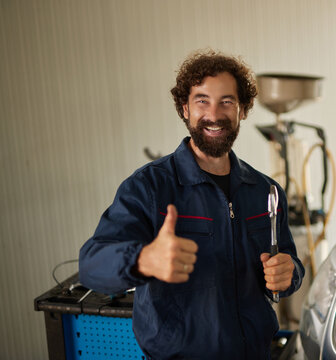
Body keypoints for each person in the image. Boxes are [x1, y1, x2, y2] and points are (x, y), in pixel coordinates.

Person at [78, 50, 305, 360]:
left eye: (226, 101)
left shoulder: (266, 190)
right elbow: (91, 265)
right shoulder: (149, 187)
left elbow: (287, 262)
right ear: (184, 108)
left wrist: (290, 273)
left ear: (244, 110)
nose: (214, 114)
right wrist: (144, 260)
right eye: (202, 101)